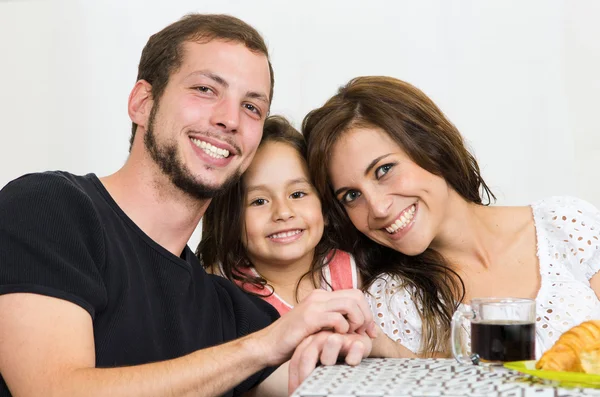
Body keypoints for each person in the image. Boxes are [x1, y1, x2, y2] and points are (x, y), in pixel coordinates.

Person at [0, 15, 378, 397]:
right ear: (143, 103)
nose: (229, 119)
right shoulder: (50, 208)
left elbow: (308, 383)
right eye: (205, 89)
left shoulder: (232, 312)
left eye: (251, 107)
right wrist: (261, 347)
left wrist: (356, 352)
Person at [302, 75, 600, 358]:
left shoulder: (565, 225)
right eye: (352, 196)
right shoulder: (392, 302)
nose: (378, 208)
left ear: (431, 147)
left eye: (384, 170)